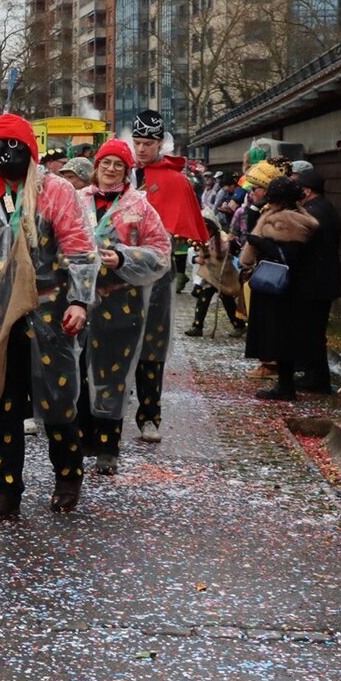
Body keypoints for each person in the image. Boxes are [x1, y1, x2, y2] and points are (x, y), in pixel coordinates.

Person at [0, 114, 98, 520]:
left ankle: (68, 476)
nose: (3, 155)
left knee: (59, 400)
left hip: (51, 312)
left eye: (12, 146)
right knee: (4, 403)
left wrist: (79, 302)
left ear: (29, 150)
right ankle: (6, 489)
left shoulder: (57, 192)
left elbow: (80, 250)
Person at [75, 141, 171, 475]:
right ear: (97, 166)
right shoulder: (77, 199)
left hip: (121, 303)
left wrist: (123, 257)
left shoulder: (139, 206)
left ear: (127, 171)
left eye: (119, 164)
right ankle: (83, 440)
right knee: (78, 373)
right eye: (106, 163)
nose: (111, 169)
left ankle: (108, 447)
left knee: (112, 377)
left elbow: (161, 252)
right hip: (78, 301)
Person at [128, 110, 208, 443]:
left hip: (157, 272)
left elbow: (183, 226)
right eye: (137, 142)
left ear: (160, 143)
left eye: (148, 143)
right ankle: (106, 415)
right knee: (112, 342)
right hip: (117, 270)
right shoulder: (119, 173)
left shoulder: (175, 180)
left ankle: (150, 415)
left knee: (152, 344)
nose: (142, 149)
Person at [239, 177, 321, 401]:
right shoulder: (293, 215)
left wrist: (259, 242)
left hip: (280, 288)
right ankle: (285, 385)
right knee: (280, 335)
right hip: (281, 286)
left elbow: (289, 255)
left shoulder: (288, 220)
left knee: (280, 336)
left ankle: (286, 387)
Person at [294, 168, 341, 392]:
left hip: (315, 281)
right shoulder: (326, 208)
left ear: (307, 191)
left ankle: (317, 378)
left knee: (312, 331)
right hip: (324, 279)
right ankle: (314, 374)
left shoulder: (314, 213)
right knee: (313, 330)